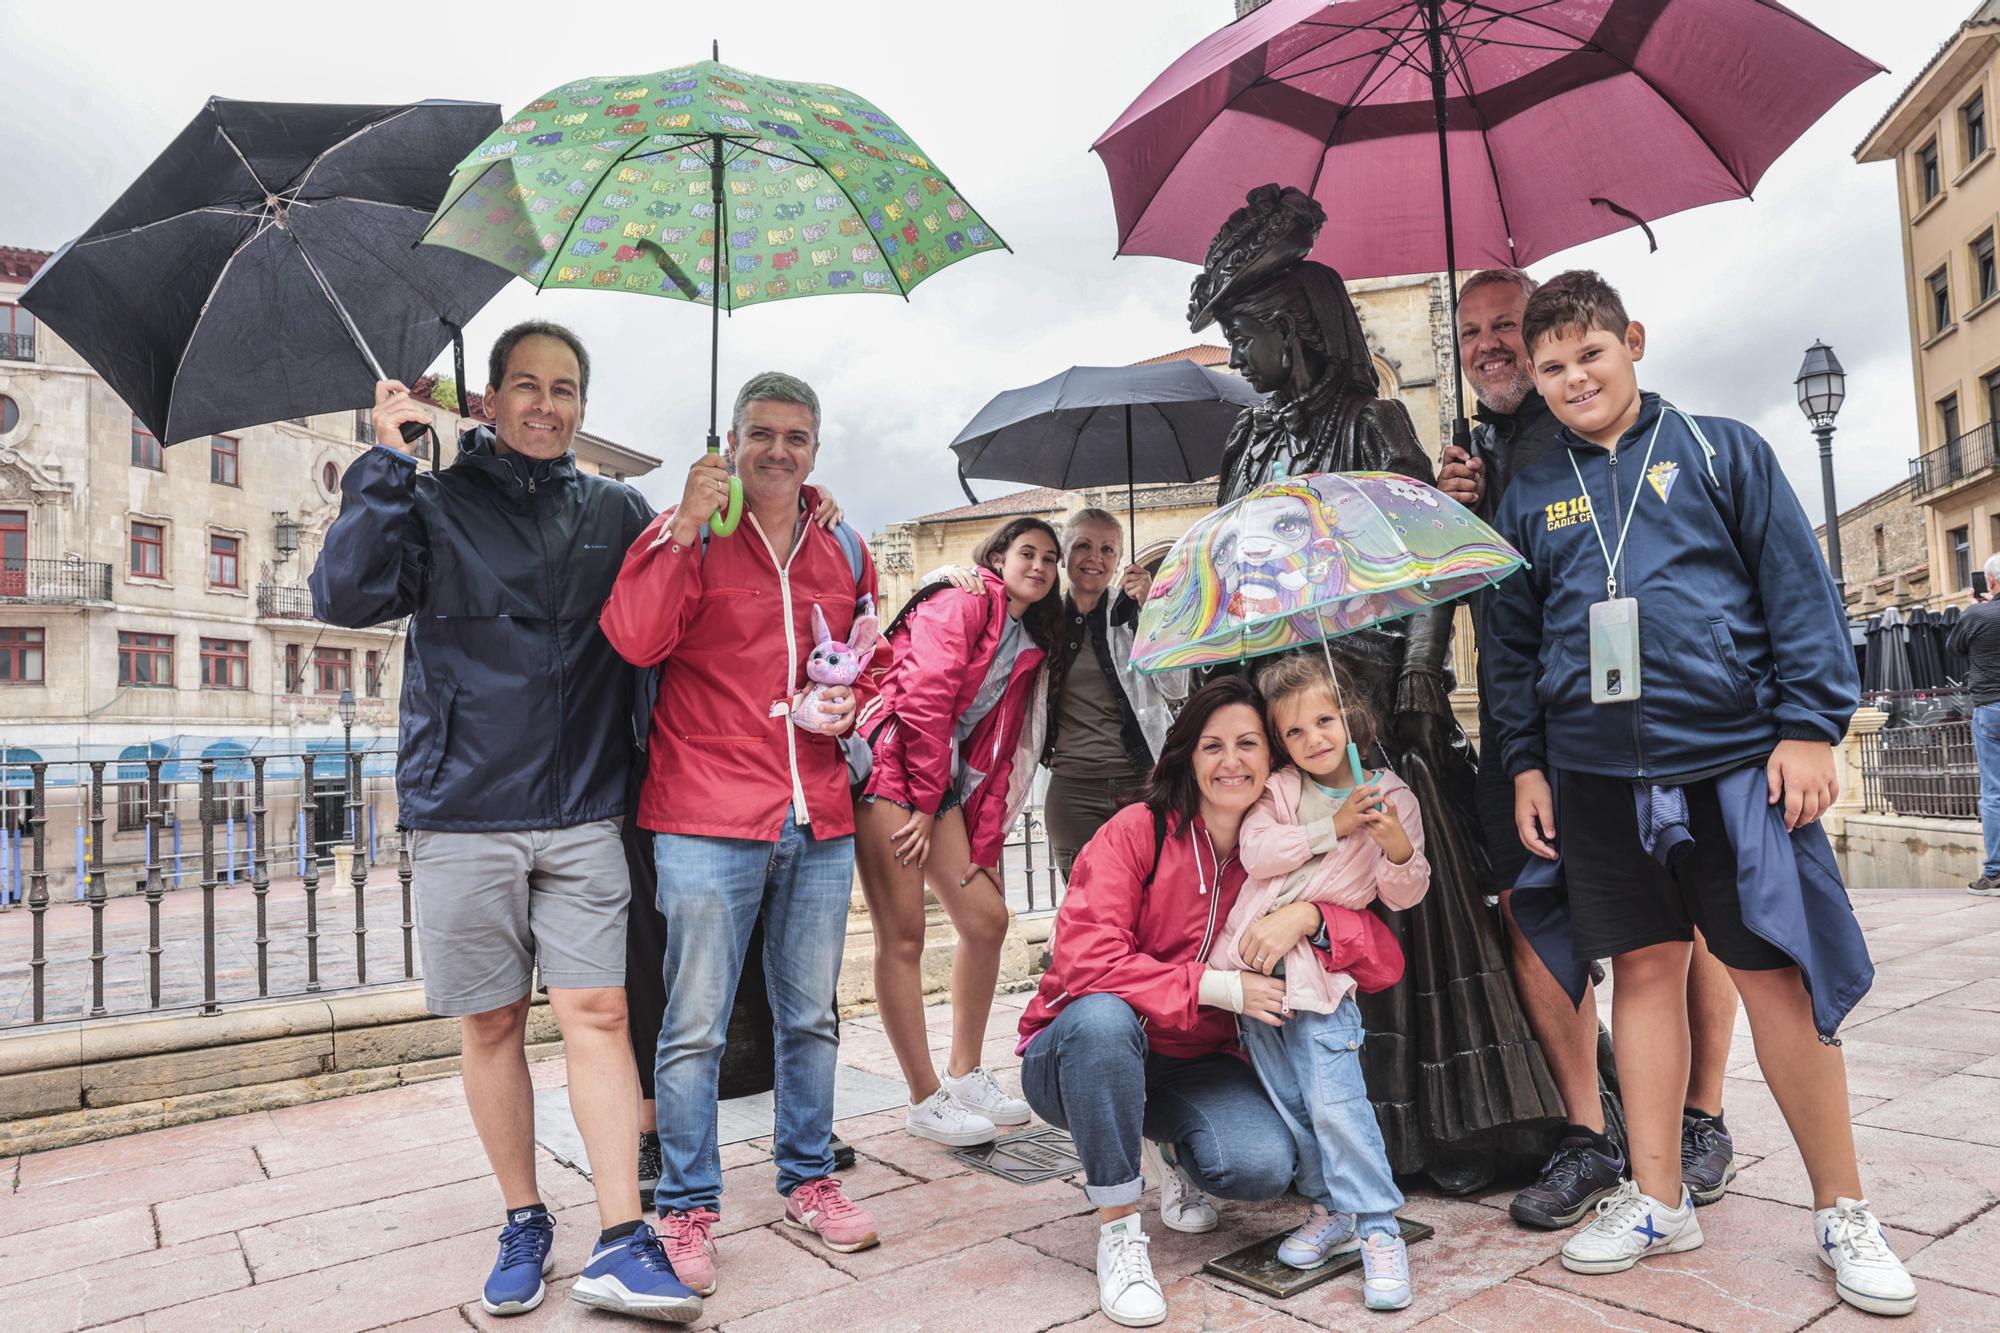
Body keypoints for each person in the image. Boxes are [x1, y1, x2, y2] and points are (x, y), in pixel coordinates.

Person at [1483, 270, 1918, 1318]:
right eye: (1549, 366)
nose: (1572, 376)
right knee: (1639, 972)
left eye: (1588, 352)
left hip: (1727, 763)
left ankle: (1841, 1208)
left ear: (1630, 340)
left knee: (1771, 976)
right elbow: (1508, 644)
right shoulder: (1529, 493)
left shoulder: (1723, 450)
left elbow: (1795, 591)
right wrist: (1525, 761)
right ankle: (1657, 1194)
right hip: (1590, 774)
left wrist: (1810, 726)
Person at [310, 322, 702, 1322]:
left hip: (583, 807)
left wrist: (758, 504)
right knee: (489, 1020)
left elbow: (684, 598)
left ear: (581, 404)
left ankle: (622, 1237)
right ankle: (524, 1215)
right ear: (487, 400)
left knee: (600, 1014)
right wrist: (387, 457)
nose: (546, 404)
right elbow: (345, 594)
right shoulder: (430, 498)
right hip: (465, 808)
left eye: (565, 388)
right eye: (525, 385)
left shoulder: (616, 508)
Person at [1193, 186, 1564, 1192]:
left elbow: (1425, 560)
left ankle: (1442, 1129)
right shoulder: (1246, 440)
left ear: (1292, 330)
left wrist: (1409, 680)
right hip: (1277, 703)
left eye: (1243, 336)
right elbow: (1233, 568)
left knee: (1403, 910)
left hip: (1368, 699)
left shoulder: (1371, 420)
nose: (1235, 357)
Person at [1438, 267, 1742, 1229]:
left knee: (1688, 920)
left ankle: (1703, 1114)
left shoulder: (1620, 434)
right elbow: (1494, 602)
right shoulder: (1474, 452)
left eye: (1509, 326)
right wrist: (1458, 511)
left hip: (1656, 725)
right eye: (1476, 330)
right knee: (1533, 912)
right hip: (1532, 725)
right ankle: (1588, 1133)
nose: (1493, 343)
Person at [599, 371, 883, 1299]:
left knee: (811, 1015)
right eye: (761, 433)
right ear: (730, 439)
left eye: (796, 437)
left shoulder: (840, 539)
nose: (778, 451)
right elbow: (635, 639)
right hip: (704, 812)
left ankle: (809, 1178)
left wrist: (851, 708)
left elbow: (869, 660)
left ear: (814, 449)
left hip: (820, 811)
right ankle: (686, 1203)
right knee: (692, 1025)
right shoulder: (683, 532)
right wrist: (683, 526)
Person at [1018, 676, 1384, 1328]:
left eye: (1249, 743)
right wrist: (1218, 986)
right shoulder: (1139, 830)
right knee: (1103, 1019)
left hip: (1193, 1059)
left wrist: (1308, 914)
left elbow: (1384, 957)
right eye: (1213, 744)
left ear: (1272, 758)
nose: (1232, 760)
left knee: (1262, 1164)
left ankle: (1170, 1150)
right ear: (1186, 753)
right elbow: (1085, 961)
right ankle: (1119, 1229)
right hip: (1077, 1053)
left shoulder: (1283, 855)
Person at [1226, 653, 1424, 1311]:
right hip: (1252, 972)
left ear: (1350, 715)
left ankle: (1377, 1226)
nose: (1314, 740)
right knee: (1290, 1098)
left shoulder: (1390, 794)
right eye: (1295, 732)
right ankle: (1331, 1207)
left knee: (1337, 1101)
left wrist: (1393, 843)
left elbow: (1402, 890)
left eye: (1324, 720)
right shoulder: (1280, 790)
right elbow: (1258, 852)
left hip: (1319, 978)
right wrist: (1331, 825)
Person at [852, 517, 1058, 1145]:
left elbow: (993, 758)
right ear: (996, 556)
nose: (1041, 566)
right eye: (1027, 552)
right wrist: (920, 802)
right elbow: (923, 695)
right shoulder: (966, 597)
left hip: (929, 782)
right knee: (905, 933)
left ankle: (965, 1072)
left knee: (986, 919)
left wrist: (986, 847)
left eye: (1051, 558)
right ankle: (923, 1099)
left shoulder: (1023, 637)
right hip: (892, 764)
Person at [928, 508, 1190, 881]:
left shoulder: (1136, 613)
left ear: (1118, 560)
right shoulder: (1042, 618)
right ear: (1064, 556)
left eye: (1108, 550)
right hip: (1073, 791)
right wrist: (950, 576)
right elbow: (985, 596)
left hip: (1144, 784)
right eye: (1083, 546)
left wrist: (1156, 611)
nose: (1095, 559)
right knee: (1089, 909)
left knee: (1156, 900)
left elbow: (1176, 686)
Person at [1947, 554, 2000, 897]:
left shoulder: (1977, 614)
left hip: (1991, 708)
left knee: (1994, 791)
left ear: (1991, 582)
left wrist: (1975, 608)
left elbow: (1954, 648)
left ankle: (1995, 873)